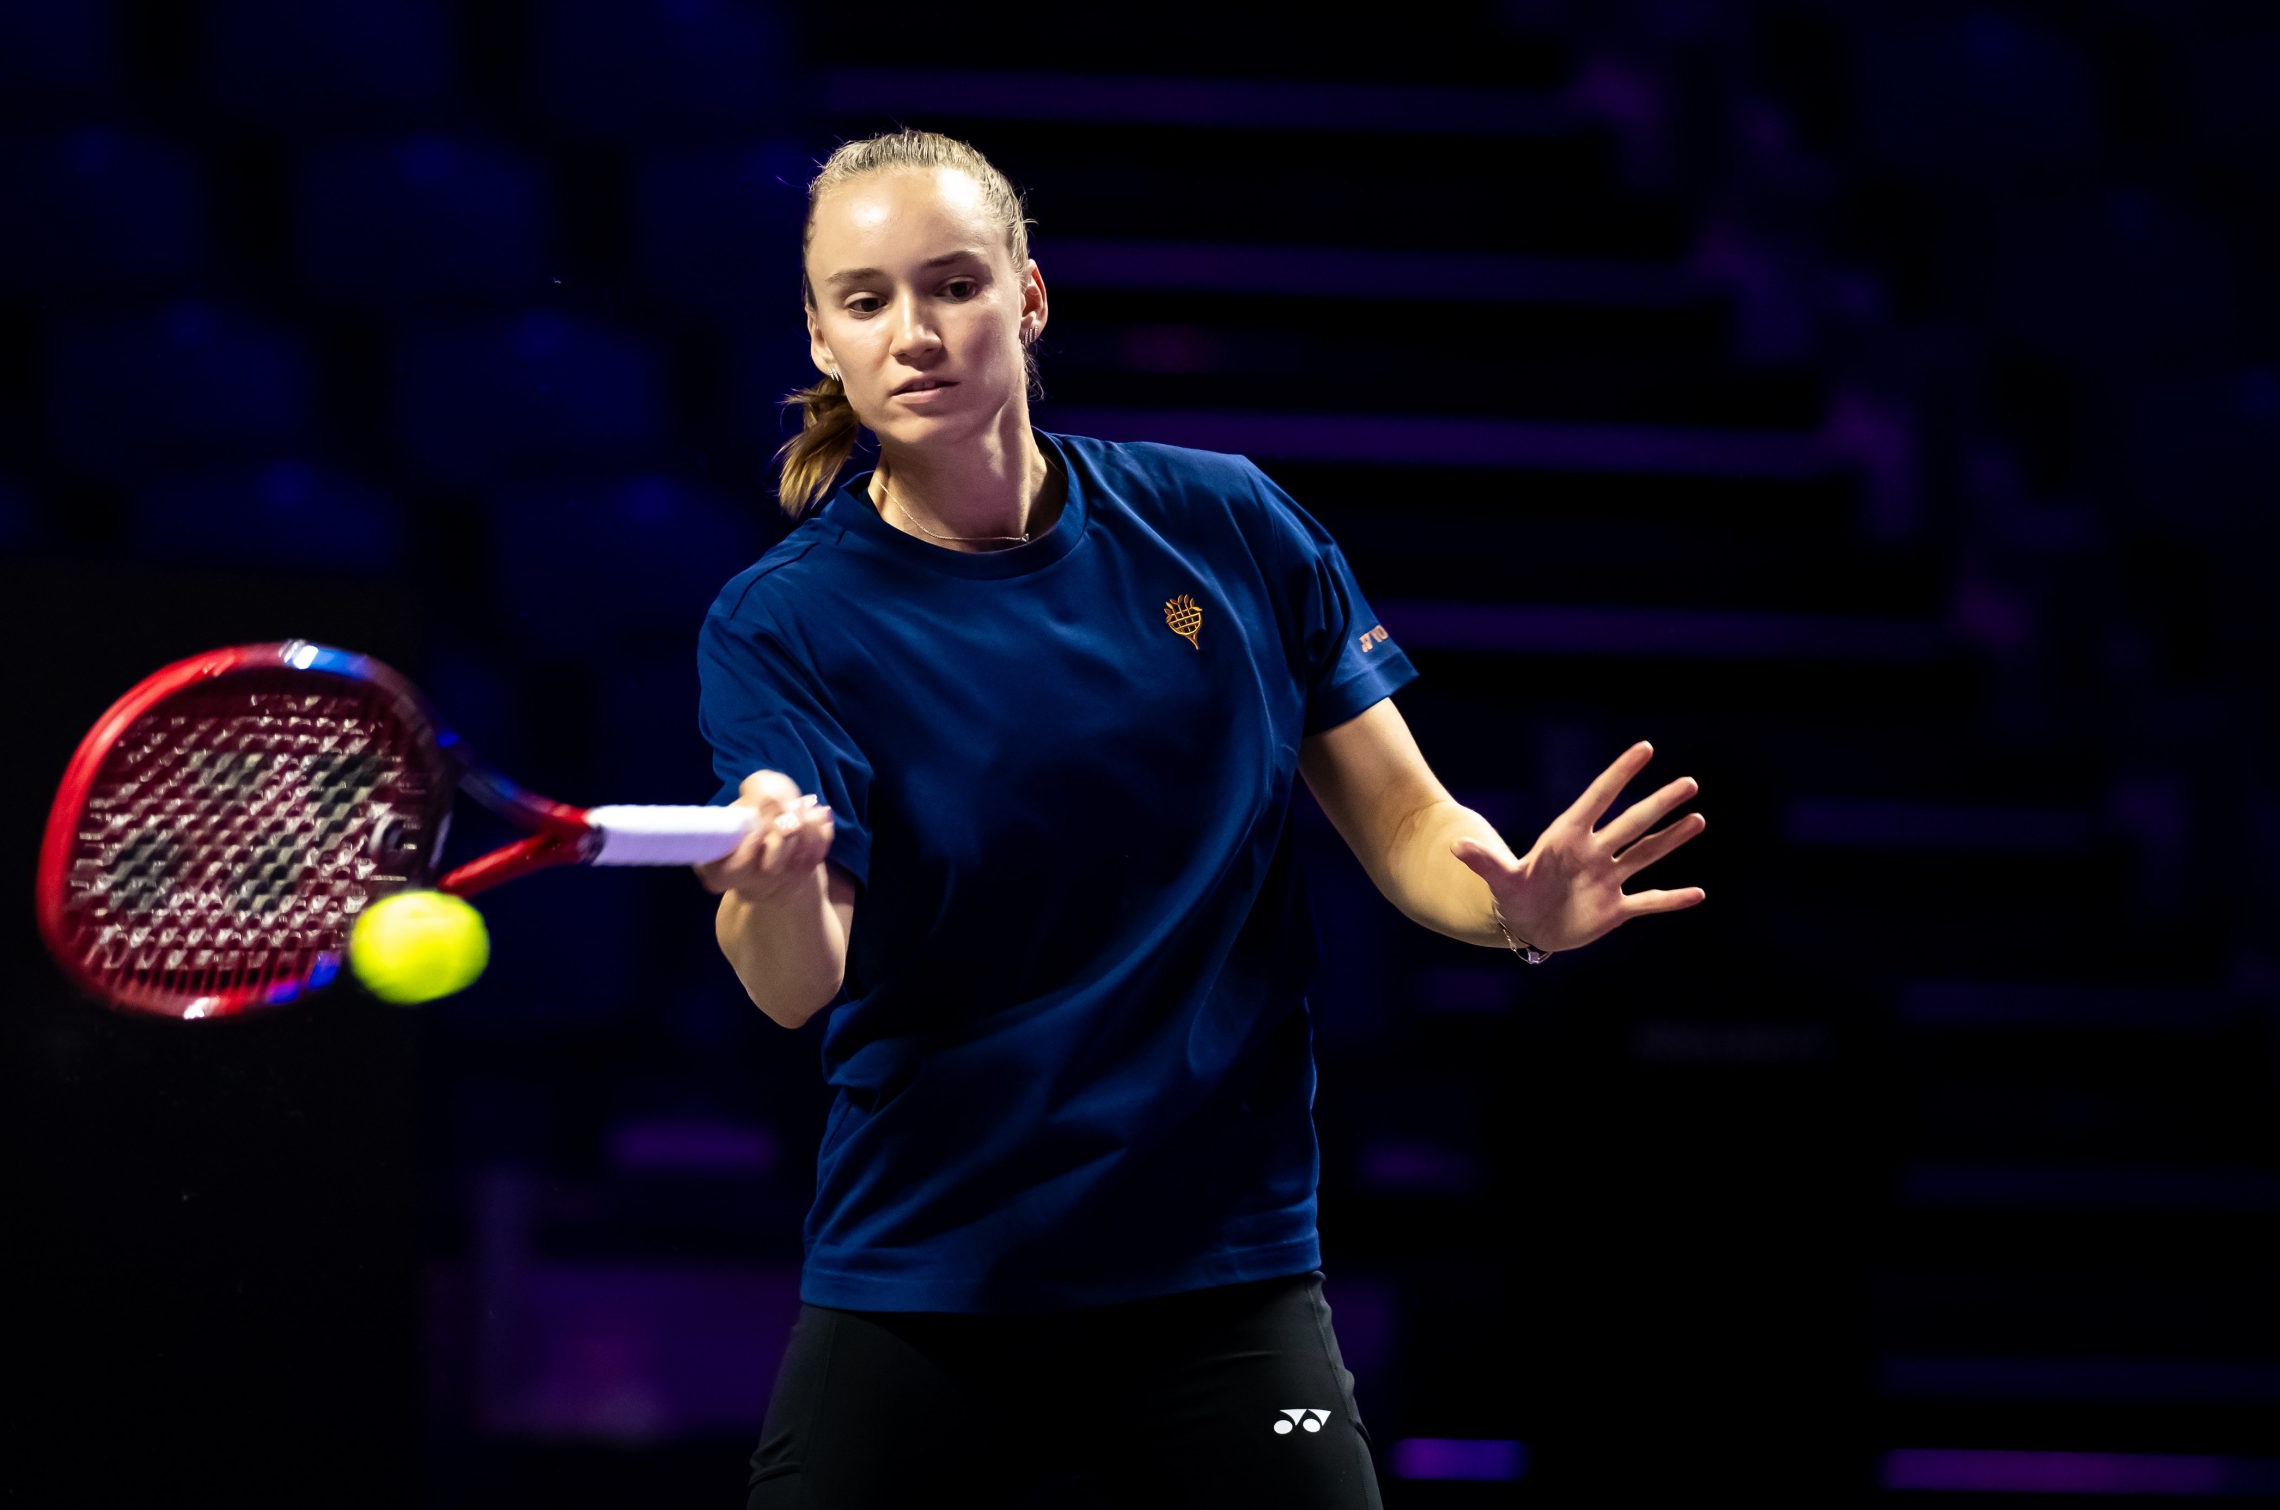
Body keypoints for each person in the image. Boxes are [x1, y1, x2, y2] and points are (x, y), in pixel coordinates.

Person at [691, 129, 1709, 1510]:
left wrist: (1509, 907)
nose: (915, 333)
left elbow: (1408, 819)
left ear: (1029, 297)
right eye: (866, 301)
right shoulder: (784, 623)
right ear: (820, 336)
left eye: (954, 285)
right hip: (931, 1276)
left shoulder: (1227, 522)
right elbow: (793, 984)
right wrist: (772, 880)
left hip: (1222, 1282)